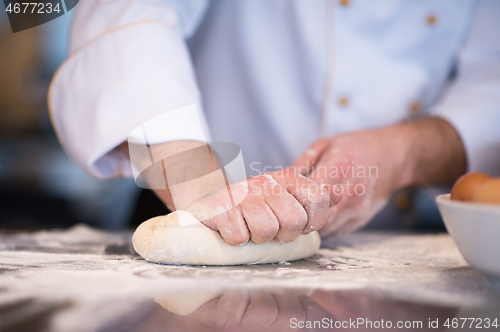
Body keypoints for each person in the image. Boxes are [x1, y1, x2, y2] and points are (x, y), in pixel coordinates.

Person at [49, 0, 500, 245]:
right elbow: (130, 12)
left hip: (394, 245)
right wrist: (195, 177)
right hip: (185, 207)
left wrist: (402, 153)